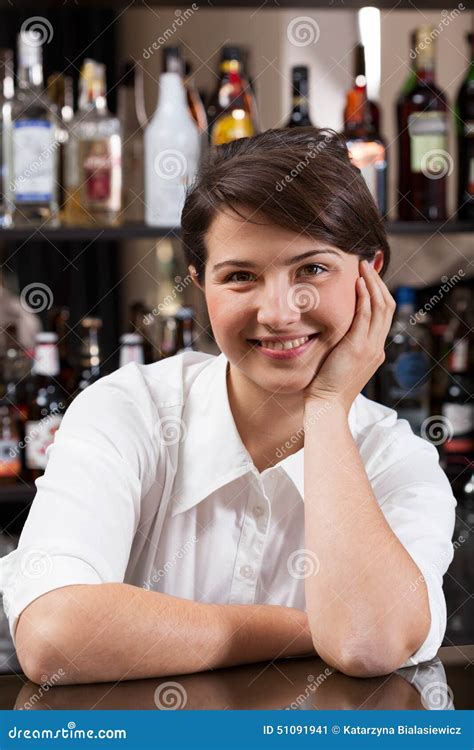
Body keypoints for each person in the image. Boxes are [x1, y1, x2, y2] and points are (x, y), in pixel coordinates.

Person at [0, 128, 455, 686]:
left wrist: (329, 408)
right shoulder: (127, 412)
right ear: (199, 284)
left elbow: (367, 642)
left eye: (312, 269)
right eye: (241, 276)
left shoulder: (396, 460)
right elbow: (54, 638)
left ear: (370, 274)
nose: (280, 312)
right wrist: (305, 629)